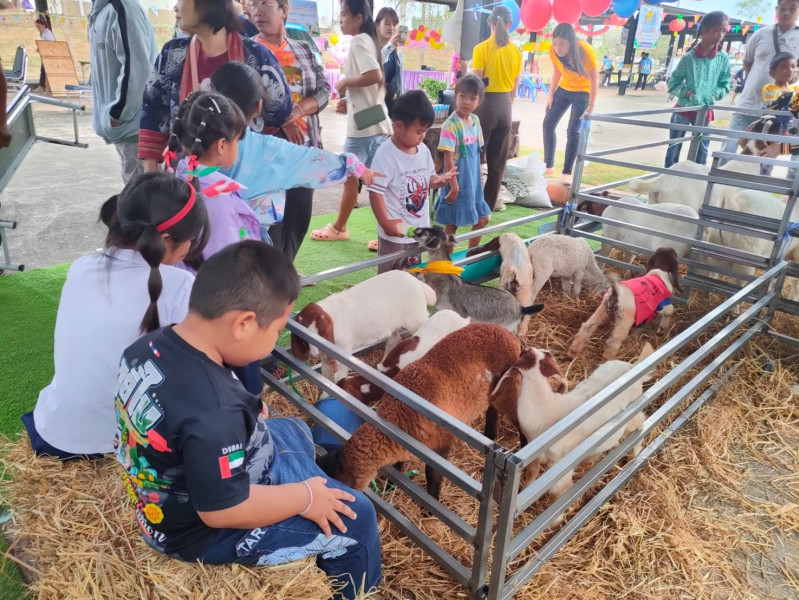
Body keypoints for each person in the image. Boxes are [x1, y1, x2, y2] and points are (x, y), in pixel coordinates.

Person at [114, 240, 382, 600]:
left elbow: (188, 416)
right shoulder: (215, 412)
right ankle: (358, 590)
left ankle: (314, 480)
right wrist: (304, 497)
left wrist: (245, 411)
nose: (273, 344)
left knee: (294, 429)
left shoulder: (147, 346)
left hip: (190, 478)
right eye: (275, 332)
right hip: (203, 530)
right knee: (358, 516)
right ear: (243, 324)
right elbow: (223, 510)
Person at [24, 173, 207, 460]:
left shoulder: (80, 267)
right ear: (166, 239)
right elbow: (204, 372)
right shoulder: (181, 286)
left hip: (54, 430)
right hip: (121, 443)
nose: (190, 248)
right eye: (191, 239)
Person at [209, 62, 380, 250]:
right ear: (259, 106)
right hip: (245, 252)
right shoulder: (268, 150)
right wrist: (355, 166)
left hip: (199, 247)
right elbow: (312, 161)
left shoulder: (194, 138)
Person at [138, 0, 291, 172]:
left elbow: (279, 111)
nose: (175, 7)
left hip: (243, 177)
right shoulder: (172, 54)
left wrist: (248, 142)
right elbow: (153, 111)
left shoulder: (257, 56)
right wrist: (150, 174)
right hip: (186, 179)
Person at [252, 0, 332, 261]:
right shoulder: (248, 51)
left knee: (300, 215)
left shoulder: (304, 50)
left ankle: (287, 268)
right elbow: (247, 98)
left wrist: (298, 110)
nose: (257, 11)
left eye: (264, 3)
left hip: (305, 148)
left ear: (284, 9)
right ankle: (274, 273)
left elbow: (324, 90)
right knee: (272, 219)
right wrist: (283, 119)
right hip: (268, 152)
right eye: (253, 4)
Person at [310, 0, 391, 245]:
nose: (340, 20)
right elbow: (374, 84)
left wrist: (345, 82)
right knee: (378, 180)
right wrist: (350, 98)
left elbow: (374, 75)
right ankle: (386, 232)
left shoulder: (359, 41)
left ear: (358, 18)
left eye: (344, 15)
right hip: (376, 119)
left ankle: (339, 227)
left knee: (350, 176)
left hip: (364, 127)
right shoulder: (370, 40)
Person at [367, 90, 456, 273]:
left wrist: (438, 181)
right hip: (396, 233)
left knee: (414, 274)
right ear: (399, 126)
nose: (423, 136)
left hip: (418, 231)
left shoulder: (422, 150)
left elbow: (428, 179)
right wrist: (386, 223)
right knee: (390, 277)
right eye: (419, 132)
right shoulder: (386, 155)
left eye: (425, 131)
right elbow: (375, 192)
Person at [89, 0, 158, 183]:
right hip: (122, 127)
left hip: (133, 126)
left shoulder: (122, 8)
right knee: (136, 188)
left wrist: (118, 114)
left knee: (142, 193)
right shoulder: (100, 12)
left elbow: (137, 69)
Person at [722, 0, 799, 158]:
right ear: (776, 9)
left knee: (765, 153)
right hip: (749, 103)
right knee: (729, 147)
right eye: (783, 8)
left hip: (778, 112)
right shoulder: (761, 34)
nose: (787, 12)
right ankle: (719, 174)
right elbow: (747, 63)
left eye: (792, 8)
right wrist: (759, 82)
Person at [470, 4, 521, 211]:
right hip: (505, 106)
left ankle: (471, 203)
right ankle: (487, 208)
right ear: (510, 24)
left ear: (489, 22)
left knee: (474, 157)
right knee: (497, 163)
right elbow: (514, 89)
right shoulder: (516, 52)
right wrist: (506, 105)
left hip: (485, 105)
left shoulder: (481, 49)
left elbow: (477, 84)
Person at [665, 11, 731, 167]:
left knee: (702, 151)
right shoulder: (689, 58)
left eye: (723, 31)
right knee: (674, 147)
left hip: (705, 110)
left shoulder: (722, 58)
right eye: (716, 30)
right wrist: (687, 93)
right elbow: (673, 82)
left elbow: (725, 82)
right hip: (684, 109)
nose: (720, 35)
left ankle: (697, 178)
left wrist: (716, 93)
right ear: (704, 30)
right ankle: (669, 175)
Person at [435, 75, 491, 249]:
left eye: (472, 98)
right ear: (455, 96)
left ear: (479, 101)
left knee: (483, 219)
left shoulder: (476, 121)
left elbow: (478, 153)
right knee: (452, 225)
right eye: (462, 96)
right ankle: (447, 260)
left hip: (473, 182)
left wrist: (480, 177)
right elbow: (448, 160)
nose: (467, 101)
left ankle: (471, 255)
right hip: (457, 182)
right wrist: (454, 188)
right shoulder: (450, 125)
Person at [543, 23, 598, 183]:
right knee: (548, 124)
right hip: (564, 88)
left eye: (562, 44)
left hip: (583, 92)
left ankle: (567, 172)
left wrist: (591, 105)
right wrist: (551, 94)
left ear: (571, 42)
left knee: (573, 131)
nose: (557, 48)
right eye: (555, 44)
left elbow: (594, 80)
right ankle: (548, 165)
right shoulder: (553, 50)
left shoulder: (585, 51)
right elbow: (557, 71)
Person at [375, 7, 403, 116]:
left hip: (393, 108)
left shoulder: (396, 53)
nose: (391, 28)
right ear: (378, 26)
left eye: (394, 24)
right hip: (375, 108)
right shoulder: (372, 48)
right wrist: (390, 46)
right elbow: (375, 64)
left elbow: (399, 82)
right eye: (387, 24)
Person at [33, 13, 55, 93]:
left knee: (43, 71)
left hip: (50, 56)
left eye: (39, 26)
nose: (38, 29)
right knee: (42, 70)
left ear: (43, 25)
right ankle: (42, 86)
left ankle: (42, 87)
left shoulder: (46, 33)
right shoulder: (44, 33)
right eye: (37, 27)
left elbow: (51, 45)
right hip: (46, 55)